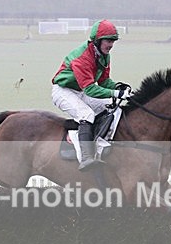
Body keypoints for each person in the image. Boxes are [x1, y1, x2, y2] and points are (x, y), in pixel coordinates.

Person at [52, 20, 131, 171]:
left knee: (110, 105)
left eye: (113, 41)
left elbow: (103, 81)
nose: (111, 45)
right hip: (63, 91)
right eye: (108, 41)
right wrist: (116, 93)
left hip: (80, 91)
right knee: (86, 114)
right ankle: (86, 158)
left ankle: (100, 144)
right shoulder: (82, 58)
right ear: (97, 41)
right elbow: (90, 89)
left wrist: (117, 87)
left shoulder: (104, 55)